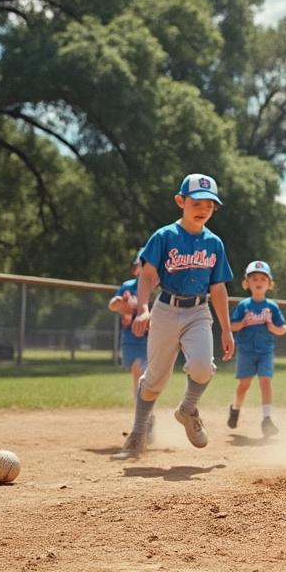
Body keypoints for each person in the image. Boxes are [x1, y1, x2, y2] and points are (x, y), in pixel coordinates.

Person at [112, 174, 235, 461]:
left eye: (209, 204)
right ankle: (137, 436)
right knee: (154, 380)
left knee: (203, 367)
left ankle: (187, 409)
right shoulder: (164, 236)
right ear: (181, 201)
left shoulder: (215, 243)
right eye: (196, 201)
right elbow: (147, 276)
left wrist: (227, 330)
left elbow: (218, 289)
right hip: (165, 309)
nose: (203, 208)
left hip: (198, 311)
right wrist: (142, 309)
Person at [228, 260, 286, 437]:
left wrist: (273, 328)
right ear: (246, 283)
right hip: (246, 351)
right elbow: (232, 326)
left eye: (263, 278)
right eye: (254, 278)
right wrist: (242, 322)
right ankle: (235, 408)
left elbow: (283, 328)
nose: (258, 281)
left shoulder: (272, 306)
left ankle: (267, 419)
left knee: (265, 381)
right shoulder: (243, 305)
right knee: (244, 385)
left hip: (265, 351)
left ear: (269, 284)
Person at [108, 250, 155, 439]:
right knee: (137, 372)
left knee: (144, 373)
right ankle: (143, 417)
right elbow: (112, 305)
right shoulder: (128, 287)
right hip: (130, 337)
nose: (142, 269)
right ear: (136, 269)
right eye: (140, 266)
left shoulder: (158, 289)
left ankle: (146, 417)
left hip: (149, 338)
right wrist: (119, 303)